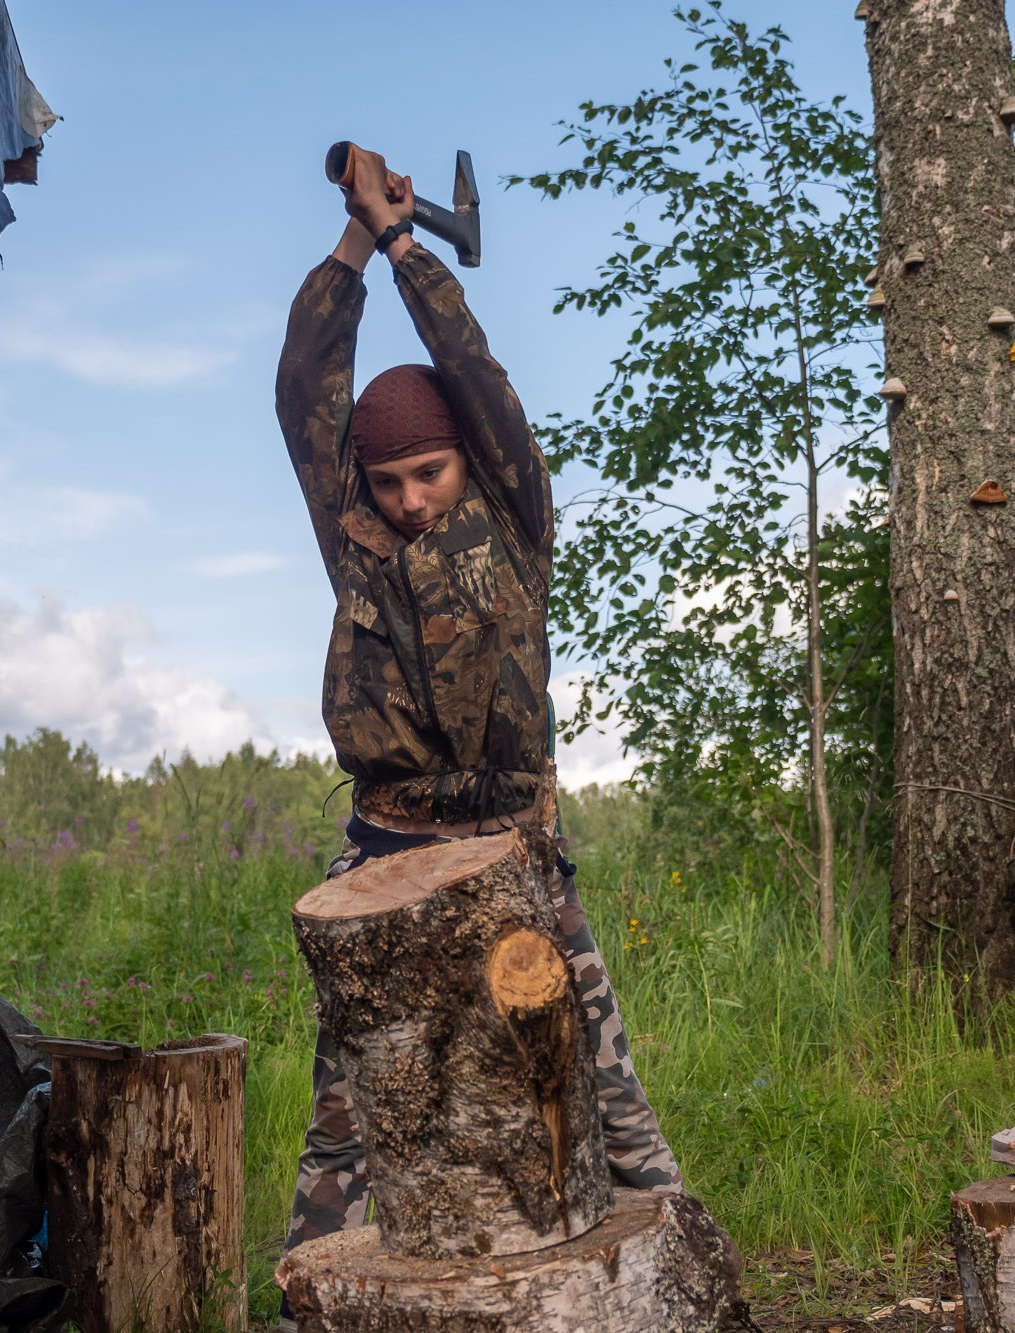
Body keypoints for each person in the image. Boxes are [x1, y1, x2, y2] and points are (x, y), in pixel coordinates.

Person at [273, 147, 683, 1276]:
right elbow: (304, 383)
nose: (410, 501)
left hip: (512, 843)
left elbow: (475, 372)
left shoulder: (513, 514)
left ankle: (676, 1273)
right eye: (389, 481)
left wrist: (407, 247)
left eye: (430, 473)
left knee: (598, 1080)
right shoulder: (353, 533)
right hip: (385, 855)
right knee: (351, 1111)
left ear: (468, 461)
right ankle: (313, 1297)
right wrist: (353, 236)